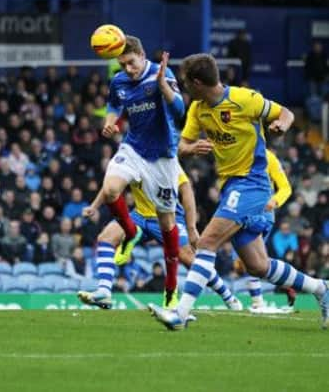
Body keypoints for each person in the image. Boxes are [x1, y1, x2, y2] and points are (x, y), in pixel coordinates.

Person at [149, 53, 329, 331]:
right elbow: (181, 146)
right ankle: (321, 288)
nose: (184, 87)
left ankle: (180, 314)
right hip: (230, 187)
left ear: (198, 82)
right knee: (258, 266)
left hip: (253, 182)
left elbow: (286, 112)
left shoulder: (246, 99)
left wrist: (282, 124)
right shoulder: (198, 109)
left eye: (186, 82)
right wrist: (192, 147)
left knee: (207, 242)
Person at [92, 34, 185, 308]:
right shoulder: (119, 81)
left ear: (142, 56)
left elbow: (180, 109)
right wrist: (111, 123)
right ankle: (130, 233)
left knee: (168, 226)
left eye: (131, 63)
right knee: (110, 190)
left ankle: (170, 290)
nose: (128, 70)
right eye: (123, 65)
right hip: (133, 148)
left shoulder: (161, 74)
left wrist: (162, 87)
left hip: (163, 157)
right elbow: (114, 104)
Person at [79, 165, 241, 310]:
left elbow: (187, 192)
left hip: (168, 217)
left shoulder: (166, 159)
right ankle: (104, 291)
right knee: (105, 238)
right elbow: (111, 184)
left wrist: (191, 228)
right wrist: (94, 205)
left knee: (190, 260)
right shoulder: (132, 158)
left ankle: (228, 296)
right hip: (139, 216)